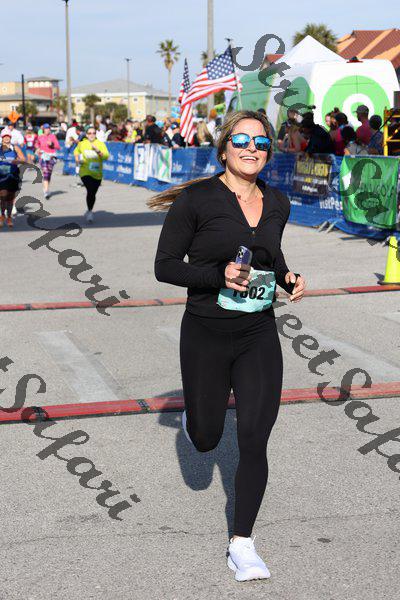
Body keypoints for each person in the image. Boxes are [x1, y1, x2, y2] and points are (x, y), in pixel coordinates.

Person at [150, 109, 305, 582]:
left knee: (255, 437)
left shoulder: (278, 201)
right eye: (241, 140)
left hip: (258, 332)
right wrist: (216, 275)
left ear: (269, 152)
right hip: (206, 332)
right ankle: (194, 419)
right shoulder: (197, 200)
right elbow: (165, 266)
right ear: (224, 149)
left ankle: (242, 543)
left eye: (261, 142)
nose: (251, 149)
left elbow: (271, 253)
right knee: (207, 437)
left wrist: (287, 277)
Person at [74, 125, 109, 223]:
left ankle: (89, 210)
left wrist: (98, 151)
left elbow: (106, 156)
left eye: (94, 133)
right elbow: (76, 152)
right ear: (86, 134)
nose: (92, 135)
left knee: (93, 193)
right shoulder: (82, 144)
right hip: (85, 171)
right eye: (89, 133)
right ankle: (90, 212)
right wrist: (77, 160)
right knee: (90, 189)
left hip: (97, 173)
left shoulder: (100, 144)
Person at [0, 130, 24, 228]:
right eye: (4, 136)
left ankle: (9, 217)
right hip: (1, 176)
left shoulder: (15, 148)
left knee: (10, 197)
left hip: (13, 175)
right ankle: (2, 215)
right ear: (2, 138)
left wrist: (16, 161)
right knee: (3, 195)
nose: (6, 138)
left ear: (10, 137)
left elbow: (23, 159)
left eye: (8, 136)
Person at [35, 123, 60, 198]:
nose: (47, 130)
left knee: (49, 174)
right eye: (46, 128)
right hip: (43, 157)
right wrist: (37, 148)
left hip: (51, 157)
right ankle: (46, 191)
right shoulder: (40, 137)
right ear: (43, 130)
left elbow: (58, 147)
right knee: (45, 173)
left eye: (48, 128)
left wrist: (52, 144)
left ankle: (46, 188)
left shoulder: (53, 136)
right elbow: (36, 144)